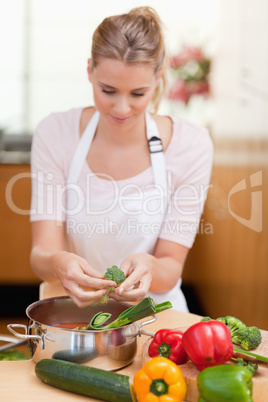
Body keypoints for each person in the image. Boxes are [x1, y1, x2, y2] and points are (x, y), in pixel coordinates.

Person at [30, 6, 213, 311]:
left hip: (156, 314)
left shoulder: (191, 145)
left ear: (158, 78)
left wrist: (150, 267)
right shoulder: (55, 133)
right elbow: (41, 254)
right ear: (90, 70)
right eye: (108, 90)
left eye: (138, 94)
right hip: (75, 311)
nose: (121, 108)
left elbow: (170, 266)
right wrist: (59, 262)